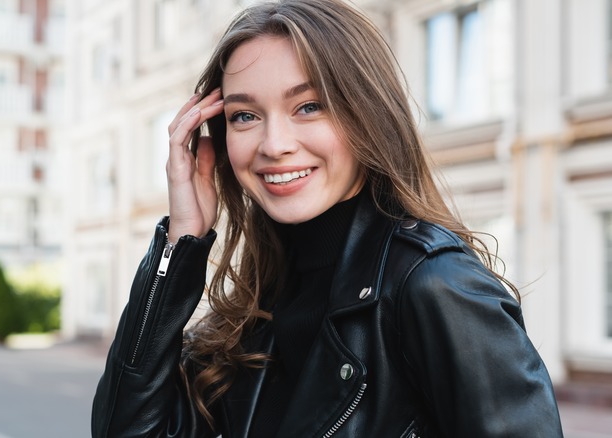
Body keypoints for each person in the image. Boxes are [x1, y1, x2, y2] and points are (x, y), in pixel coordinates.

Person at [91, 0, 564, 436]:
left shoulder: (434, 285)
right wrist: (179, 245)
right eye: (244, 116)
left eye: (309, 106)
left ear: (367, 115)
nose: (274, 145)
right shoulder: (255, 310)